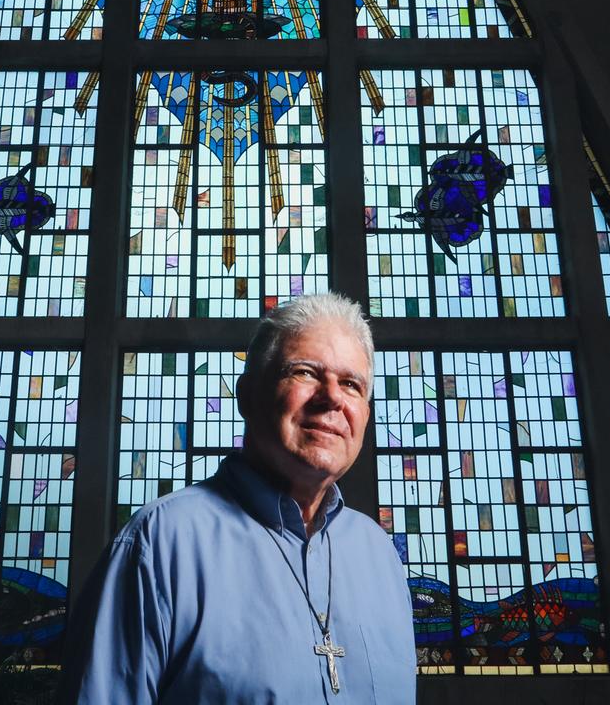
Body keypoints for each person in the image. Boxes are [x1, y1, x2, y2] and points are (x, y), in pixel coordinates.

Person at [57, 292, 415, 703]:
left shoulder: (380, 555)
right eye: (305, 373)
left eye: (351, 384)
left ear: (366, 414)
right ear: (247, 396)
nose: (331, 397)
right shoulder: (159, 546)